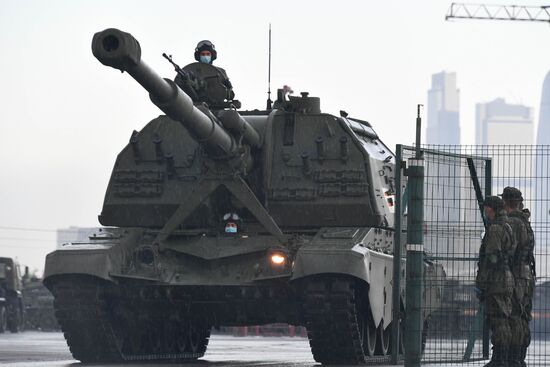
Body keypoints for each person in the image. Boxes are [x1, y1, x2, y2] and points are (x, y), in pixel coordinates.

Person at [476, 196, 516, 367]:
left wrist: (482, 283)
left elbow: (491, 258)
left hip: (496, 280)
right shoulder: (508, 226)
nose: (485, 213)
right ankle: (503, 357)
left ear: (491, 209)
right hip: (507, 277)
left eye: (486, 209)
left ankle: (499, 359)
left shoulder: (495, 229)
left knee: (498, 320)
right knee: (504, 319)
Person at [500, 187, 535, 367]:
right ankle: (518, 357)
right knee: (522, 316)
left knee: (512, 315)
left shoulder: (513, 222)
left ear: (505, 202)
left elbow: (509, 251)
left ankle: (511, 358)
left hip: (515, 274)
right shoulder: (524, 221)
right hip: (526, 274)